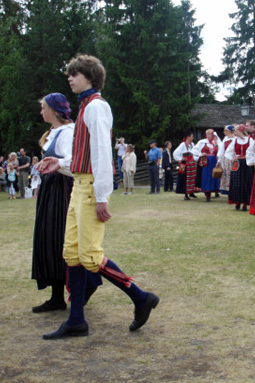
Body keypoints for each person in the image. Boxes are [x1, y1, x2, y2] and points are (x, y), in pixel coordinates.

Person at [40, 55, 158, 340]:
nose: (70, 78)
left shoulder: (96, 107)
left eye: (75, 74)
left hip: (90, 187)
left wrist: (102, 195)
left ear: (90, 77)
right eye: (70, 74)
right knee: (72, 253)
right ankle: (76, 320)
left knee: (90, 256)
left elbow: (103, 155)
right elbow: (85, 156)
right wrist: (61, 165)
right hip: (80, 184)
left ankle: (141, 297)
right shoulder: (85, 107)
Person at [31, 92, 102, 313]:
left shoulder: (67, 132)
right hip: (51, 190)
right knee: (50, 240)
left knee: (63, 239)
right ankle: (56, 296)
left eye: (43, 108)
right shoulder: (54, 132)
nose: (41, 112)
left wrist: (57, 163)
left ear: (53, 110)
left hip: (62, 191)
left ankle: (86, 286)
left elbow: (75, 162)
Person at [224, 124, 255, 211]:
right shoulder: (234, 141)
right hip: (237, 164)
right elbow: (228, 153)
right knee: (237, 184)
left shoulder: (250, 140)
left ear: (240, 131)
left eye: (236, 131)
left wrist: (251, 159)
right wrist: (232, 158)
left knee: (246, 183)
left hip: (247, 164)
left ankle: (245, 203)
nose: (235, 132)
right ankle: (237, 202)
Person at [194, 129, 224, 202]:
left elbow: (221, 150)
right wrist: (200, 154)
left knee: (214, 176)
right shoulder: (202, 142)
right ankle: (207, 195)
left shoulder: (216, 143)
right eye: (207, 134)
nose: (208, 136)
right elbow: (194, 150)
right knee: (206, 177)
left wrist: (219, 159)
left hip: (214, 161)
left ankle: (215, 191)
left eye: (210, 134)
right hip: (206, 162)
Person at [174, 132, 198, 200]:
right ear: (188, 137)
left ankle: (191, 192)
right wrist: (180, 159)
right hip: (185, 164)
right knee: (186, 179)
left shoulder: (192, 144)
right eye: (192, 136)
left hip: (192, 164)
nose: (193, 138)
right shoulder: (183, 145)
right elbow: (175, 153)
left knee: (192, 179)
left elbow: (195, 153)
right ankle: (186, 194)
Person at [218, 125, 235, 194]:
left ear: (229, 131)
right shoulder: (225, 139)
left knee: (231, 175)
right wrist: (219, 160)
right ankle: (226, 190)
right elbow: (221, 150)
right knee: (225, 175)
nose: (224, 132)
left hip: (233, 159)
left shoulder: (235, 139)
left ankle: (232, 190)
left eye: (225, 130)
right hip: (225, 160)